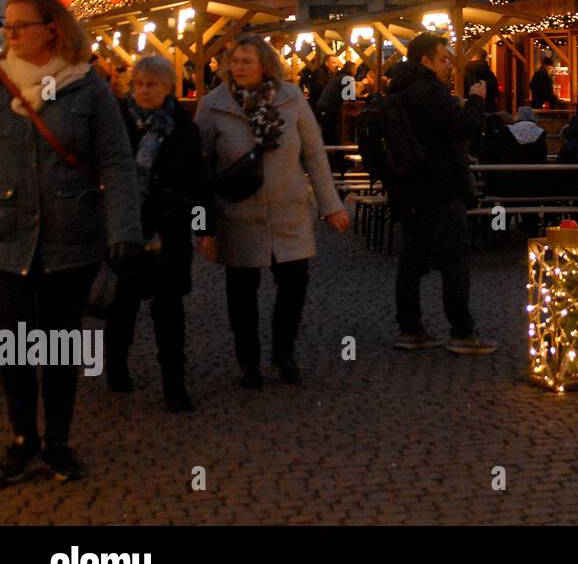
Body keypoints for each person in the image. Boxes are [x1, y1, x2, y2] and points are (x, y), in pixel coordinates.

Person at [0, 0, 143, 483]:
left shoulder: (86, 87)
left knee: (59, 346)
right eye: (8, 25)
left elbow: (117, 161)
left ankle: (58, 442)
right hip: (8, 238)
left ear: (52, 27)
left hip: (71, 238)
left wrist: (124, 228)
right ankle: (23, 439)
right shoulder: (0, 85)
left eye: (21, 25)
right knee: (15, 346)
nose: (11, 34)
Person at [195, 34, 350, 388]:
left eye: (247, 60)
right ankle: (248, 361)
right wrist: (203, 224)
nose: (239, 67)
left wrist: (330, 205)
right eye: (234, 60)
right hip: (236, 212)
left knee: (294, 282)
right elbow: (200, 166)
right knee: (242, 290)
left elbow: (313, 153)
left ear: (265, 64)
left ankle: (284, 351)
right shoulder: (213, 105)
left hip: (288, 209)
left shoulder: (291, 98)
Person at [106, 56, 212, 412]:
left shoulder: (183, 127)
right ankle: (116, 368)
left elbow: (199, 180)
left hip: (170, 231)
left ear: (168, 87)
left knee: (169, 310)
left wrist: (205, 227)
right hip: (127, 228)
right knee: (122, 306)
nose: (144, 91)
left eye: (151, 84)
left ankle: (174, 385)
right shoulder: (118, 123)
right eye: (139, 84)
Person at [388, 32, 496, 354]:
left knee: (411, 261)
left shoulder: (398, 88)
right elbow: (462, 128)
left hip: (408, 187)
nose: (448, 64)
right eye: (443, 58)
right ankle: (462, 332)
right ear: (426, 60)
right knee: (454, 261)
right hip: (440, 186)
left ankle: (410, 329)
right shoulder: (429, 91)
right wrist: (476, 100)